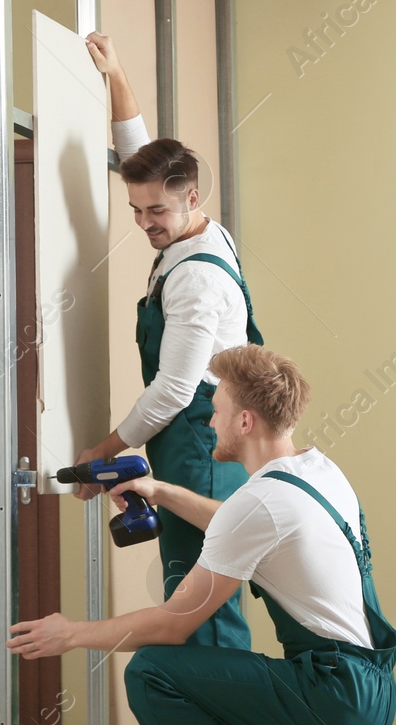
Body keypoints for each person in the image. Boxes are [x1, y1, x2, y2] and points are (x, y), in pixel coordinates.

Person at [8, 345, 396, 725]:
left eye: (215, 408)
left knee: (154, 672)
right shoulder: (317, 471)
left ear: (245, 419)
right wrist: (162, 490)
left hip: (335, 696)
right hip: (372, 690)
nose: (209, 419)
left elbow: (174, 625)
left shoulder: (258, 502)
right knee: (217, 687)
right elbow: (241, 522)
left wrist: (72, 633)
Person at [74, 34, 260, 647]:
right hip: (195, 439)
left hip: (199, 443)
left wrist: (100, 454)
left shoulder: (198, 278)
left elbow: (174, 389)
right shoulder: (194, 228)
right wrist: (117, 74)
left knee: (201, 605)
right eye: (136, 209)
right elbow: (143, 156)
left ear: (191, 199)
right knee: (194, 593)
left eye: (156, 212)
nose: (145, 223)